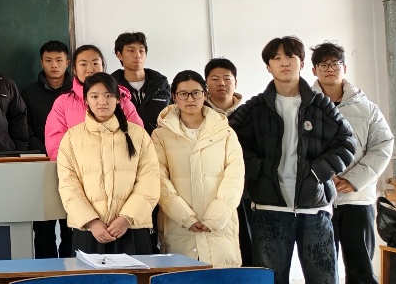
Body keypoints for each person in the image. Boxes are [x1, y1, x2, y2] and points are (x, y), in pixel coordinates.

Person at [229, 36, 356, 284]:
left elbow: (347, 142)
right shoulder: (255, 107)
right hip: (269, 209)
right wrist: (259, 171)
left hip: (315, 209)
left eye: (290, 57)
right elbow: (229, 140)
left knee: (324, 281)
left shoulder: (320, 104)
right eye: (276, 58)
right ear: (268, 66)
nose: (284, 63)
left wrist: (317, 172)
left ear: (301, 63)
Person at [311, 42, 393, 284]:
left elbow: (383, 146)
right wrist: (322, 178)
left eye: (335, 63)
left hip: (357, 199)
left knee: (360, 265)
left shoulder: (366, 107)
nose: (329, 69)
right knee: (322, 267)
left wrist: (354, 179)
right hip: (318, 201)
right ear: (314, 70)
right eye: (323, 64)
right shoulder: (304, 105)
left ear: (344, 68)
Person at [56, 72, 159, 255]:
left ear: (118, 99)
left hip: (132, 228)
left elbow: (149, 182)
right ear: (86, 100)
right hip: (89, 231)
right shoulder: (71, 138)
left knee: (135, 274)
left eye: (108, 95)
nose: (102, 101)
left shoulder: (138, 135)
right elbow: (68, 186)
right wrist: (91, 221)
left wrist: (126, 218)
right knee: (89, 275)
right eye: (95, 96)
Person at [152, 70, 246, 267]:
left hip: (220, 224)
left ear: (205, 94)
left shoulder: (225, 132)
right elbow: (158, 179)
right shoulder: (160, 136)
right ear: (174, 96)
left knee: (221, 279)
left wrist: (216, 217)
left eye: (196, 93)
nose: (190, 99)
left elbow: (235, 177)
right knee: (182, 279)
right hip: (178, 224)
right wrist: (184, 217)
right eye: (183, 94)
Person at [22, 40, 74, 258]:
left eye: (59, 60)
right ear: (41, 62)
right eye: (49, 60)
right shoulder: (28, 93)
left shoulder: (78, 92)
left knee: (71, 224)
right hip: (41, 164)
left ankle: (71, 269)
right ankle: (46, 270)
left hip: (74, 166)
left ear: (68, 63)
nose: (54, 65)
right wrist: (44, 151)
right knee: (43, 227)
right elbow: (24, 128)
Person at [44, 44, 144, 159]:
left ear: (103, 67)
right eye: (83, 64)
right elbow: (55, 146)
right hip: (78, 168)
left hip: (119, 166)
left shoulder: (121, 99)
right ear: (74, 70)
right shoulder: (63, 103)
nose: (90, 69)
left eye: (95, 63)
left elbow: (138, 139)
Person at [203, 56, 253, 264]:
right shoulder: (198, 113)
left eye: (227, 78)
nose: (221, 83)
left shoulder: (251, 113)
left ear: (236, 82)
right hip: (209, 193)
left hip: (246, 192)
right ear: (206, 83)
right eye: (214, 79)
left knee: (248, 248)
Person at [111, 32, 172, 129]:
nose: (137, 55)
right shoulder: (110, 87)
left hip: (159, 138)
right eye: (131, 50)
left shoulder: (162, 85)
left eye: (141, 51)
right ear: (119, 55)